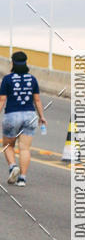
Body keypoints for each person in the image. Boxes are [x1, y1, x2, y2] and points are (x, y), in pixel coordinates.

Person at [0, 50, 46, 187]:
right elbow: (37, 101)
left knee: (8, 145)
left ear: (12, 63)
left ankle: (13, 166)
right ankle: (22, 179)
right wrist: (42, 117)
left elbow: (2, 100)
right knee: (25, 148)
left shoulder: (7, 79)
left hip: (12, 115)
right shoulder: (32, 79)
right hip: (30, 115)